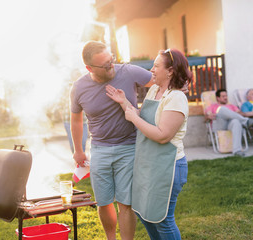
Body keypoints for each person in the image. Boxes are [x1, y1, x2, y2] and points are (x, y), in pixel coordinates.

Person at [70, 40, 152, 240]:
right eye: (104, 65)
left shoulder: (128, 71)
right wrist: (78, 150)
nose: (110, 67)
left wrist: (152, 110)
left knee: (126, 203)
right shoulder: (79, 87)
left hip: (129, 147)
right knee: (103, 201)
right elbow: (76, 119)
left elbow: (158, 82)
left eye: (111, 60)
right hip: (99, 149)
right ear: (89, 68)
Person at [106, 48, 192, 239]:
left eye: (156, 66)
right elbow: (142, 118)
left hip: (168, 166)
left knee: (162, 219)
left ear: (170, 71)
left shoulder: (176, 98)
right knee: (145, 215)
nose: (151, 69)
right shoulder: (154, 90)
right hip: (149, 164)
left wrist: (134, 119)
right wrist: (123, 102)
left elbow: (163, 135)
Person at [205, 89, 253, 156]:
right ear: (218, 98)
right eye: (223, 96)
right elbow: (206, 118)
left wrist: (236, 114)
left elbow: (240, 114)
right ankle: (245, 122)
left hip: (230, 125)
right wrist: (210, 116)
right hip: (219, 124)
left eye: (226, 96)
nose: (226, 97)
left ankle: (237, 151)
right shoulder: (212, 106)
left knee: (236, 121)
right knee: (222, 109)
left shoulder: (232, 106)